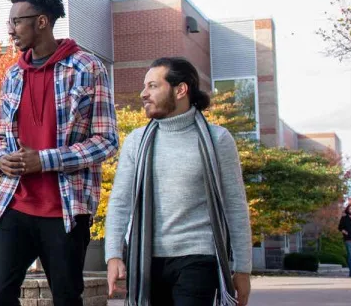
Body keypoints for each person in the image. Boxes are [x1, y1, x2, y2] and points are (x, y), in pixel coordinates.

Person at [0, 0, 118, 306]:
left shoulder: (86, 68)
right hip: (16, 203)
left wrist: (45, 160)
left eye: (17, 21)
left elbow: (106, 141)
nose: (11, 30)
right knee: (0, 294)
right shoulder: (13, 75)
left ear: (42, 22)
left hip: (65, 208)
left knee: (67, 297)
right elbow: (1, 138)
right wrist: (0, 160)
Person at [102, 57, 252, 306]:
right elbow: (120, 202)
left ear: (180, 89)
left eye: (152, 86)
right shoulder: (137, 141)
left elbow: (235, 205)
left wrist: (243, 269)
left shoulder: (218, 139)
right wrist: (114, 255)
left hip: (199, 256)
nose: (143, 94)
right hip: (146, 260)